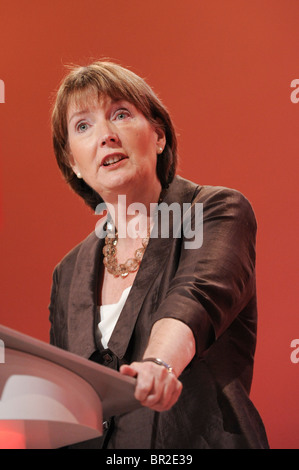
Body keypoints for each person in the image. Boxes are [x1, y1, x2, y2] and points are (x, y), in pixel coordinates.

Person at [49, 60, 269, 449]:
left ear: (159, 136)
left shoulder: (214, 211)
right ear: (73, 164)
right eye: (83, 126)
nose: (106, 135)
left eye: (121, 114)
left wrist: (158, 363)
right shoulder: (68, 272)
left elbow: (196, 296)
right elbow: (69, 396)